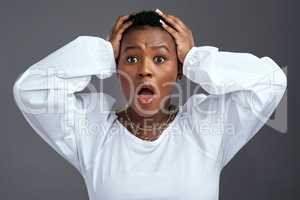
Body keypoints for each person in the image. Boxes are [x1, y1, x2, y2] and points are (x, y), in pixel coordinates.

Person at [13, 9, 287, 200]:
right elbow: (30, 89)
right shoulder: (92, 132)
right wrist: (101, 54)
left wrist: (195, 58)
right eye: (131, 59)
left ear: (179, 71)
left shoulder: (206, 127)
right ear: (116, 68)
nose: (145, 70)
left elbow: (271, 81)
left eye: (160, 59)